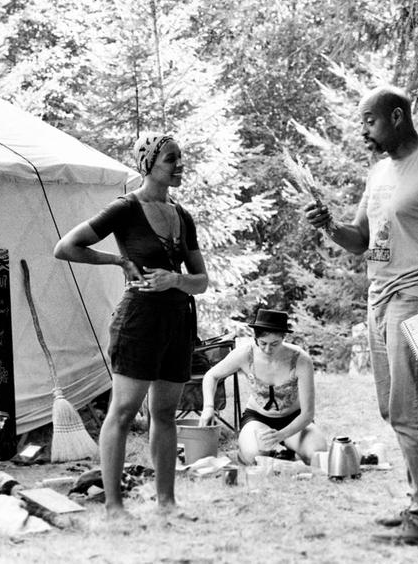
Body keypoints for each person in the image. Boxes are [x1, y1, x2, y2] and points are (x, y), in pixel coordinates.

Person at [305, 84, 418, 547]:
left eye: (369, 121)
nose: (364, 131)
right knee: (392, 406)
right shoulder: (379, 172)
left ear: (397, 117)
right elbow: (360, 238)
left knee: (413, 407)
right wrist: (329, 227)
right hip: (380, 298)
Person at [53, 133, 209, 518]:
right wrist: (117, 262)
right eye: (172, 158)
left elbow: (201, 280)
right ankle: (114, 506)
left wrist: (175, 280)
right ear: (148, 164)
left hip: (178, 320)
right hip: (138, 320)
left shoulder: (182, 216)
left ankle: (167, 503)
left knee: (166, 413)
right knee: (123, 411)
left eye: (180, 157)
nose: (179, 164)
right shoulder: (125, 209)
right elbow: (66, 246)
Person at [199, 309, 326, 465]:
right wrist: (208, 407)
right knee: (254, 457)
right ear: (255, 338)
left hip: (294, 419)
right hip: (257, 419)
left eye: (274, 344)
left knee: (318, 453)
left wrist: (281, 435)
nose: (267, 349)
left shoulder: (301, 359)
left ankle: (288, 449)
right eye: (263, 343)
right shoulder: (245, 354)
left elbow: (308, 413)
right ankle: (276, 452)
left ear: (283, 337)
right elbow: (211, 376)